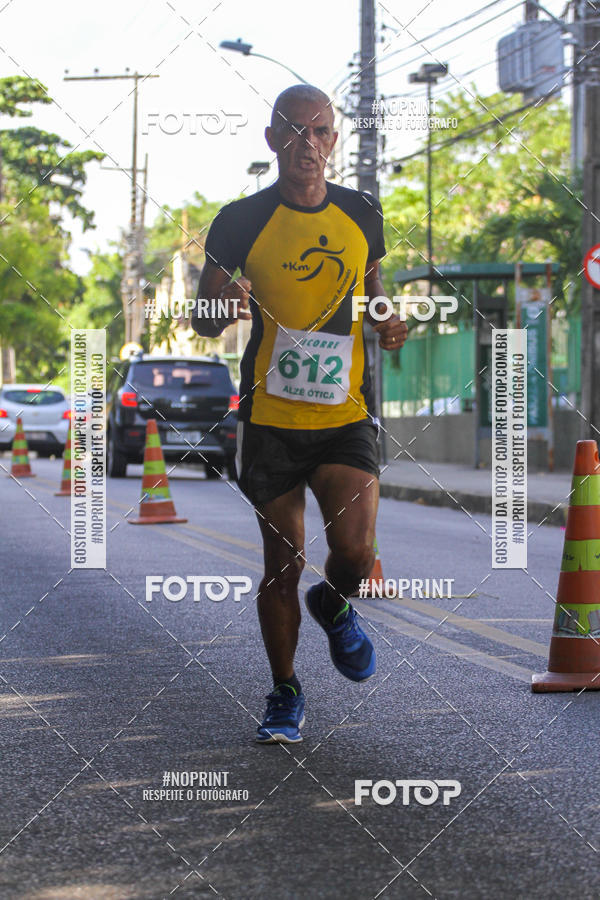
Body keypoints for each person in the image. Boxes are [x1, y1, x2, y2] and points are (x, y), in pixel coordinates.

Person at [193, 84, 408, 743]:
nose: (306, 143)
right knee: (282, 565)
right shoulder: (239, 221)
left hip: (345, 414)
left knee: (355, 550)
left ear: (333, 141)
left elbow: (371, 290)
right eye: (292, 130)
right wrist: (222, 307)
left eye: (319, 131)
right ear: (272, 138)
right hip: (270, 421)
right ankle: (285, 691)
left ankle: (334, 603)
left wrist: (387, 320)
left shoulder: (360, 212)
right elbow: (202, 319)